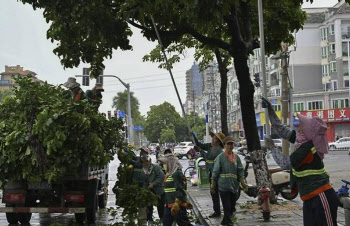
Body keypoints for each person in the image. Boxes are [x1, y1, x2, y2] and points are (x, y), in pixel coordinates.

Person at [262, 97, 339, 226]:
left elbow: (285, 163)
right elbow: (281, 129)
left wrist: (272, 148)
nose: (298, 130)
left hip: (321, 196)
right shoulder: (302, 141)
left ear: (309, 133)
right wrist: (270, 110)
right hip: (309, 197)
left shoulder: (307, 148)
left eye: (301, 128)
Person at [211, 136, 247, 226]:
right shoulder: (220, 157)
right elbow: (215, 172)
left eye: (232, 144)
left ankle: (225, 221)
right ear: (224, 145)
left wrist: (243, 183)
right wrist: (213, 186)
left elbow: (240, 171)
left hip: (234, 186)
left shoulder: (236, 158)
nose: (230, 146)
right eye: (228, 144)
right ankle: (229, 222)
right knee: (226, 206)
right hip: (223, 185)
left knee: (232, 206)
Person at [192, 131, 225, 218]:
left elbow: (208, 157)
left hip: (217, 174)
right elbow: (200, 144)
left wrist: (201, 151)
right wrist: (193, 136)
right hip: (210, 172)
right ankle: (217, 210)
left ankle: (223, 210)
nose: (212, 139)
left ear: (217, 141)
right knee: (213, 192)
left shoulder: (219, 150)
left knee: (217, 192)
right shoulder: (209, 146)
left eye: (214, 138)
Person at [161, 149, 192, 226]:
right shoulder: (169, 173)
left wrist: (176, 203)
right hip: (169, 204)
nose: (164, 165)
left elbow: (180, 189)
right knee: (166, 222)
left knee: (183, 223)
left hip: (177, 205)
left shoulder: (177, 173)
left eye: (165, 163)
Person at [140, 155, 165, 226]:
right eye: (143, 163)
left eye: (147, 162)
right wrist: (144, 190)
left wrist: (153, 184)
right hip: (149, 190)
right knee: (149, 206)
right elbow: (144, 181)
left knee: (160, 206)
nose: (145, 164)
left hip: (159, 189)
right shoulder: (142, 170)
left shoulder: (156, 167)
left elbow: (161, 177)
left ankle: (162, 219)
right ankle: (150, 220)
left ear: (150, 162)